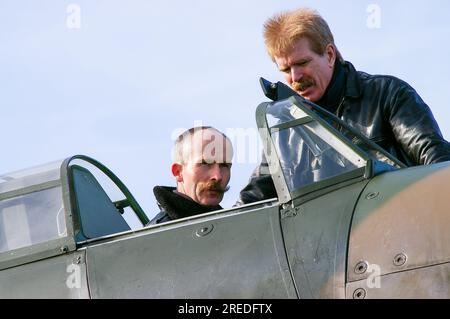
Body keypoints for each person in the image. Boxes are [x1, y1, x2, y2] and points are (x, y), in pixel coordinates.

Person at [238, 8, 450, 205]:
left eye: (302, 63)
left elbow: (435, 157)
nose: (295, 77)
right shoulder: (283, 133)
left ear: (329, 55)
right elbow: (252, 201)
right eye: (285, 69)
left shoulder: (387, 94)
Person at [148, 126, 233, 224]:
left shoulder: (227, 224)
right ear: (178, 172)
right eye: (205, 164)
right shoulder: (158, 235)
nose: (218, 176)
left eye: (224, 165)